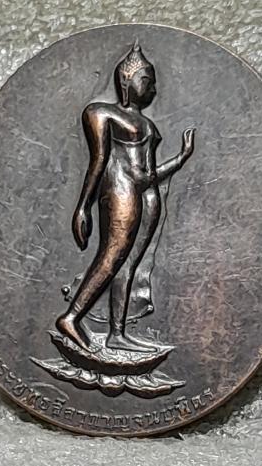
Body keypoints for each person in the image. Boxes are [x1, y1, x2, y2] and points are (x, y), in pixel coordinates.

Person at [56, 40, 195, 353]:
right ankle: (71, 318)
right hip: (121, 192)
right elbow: (98, 160)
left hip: (147, 195)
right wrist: (83, 206)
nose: (153, 89)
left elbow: (148, 174)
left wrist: (181, 158)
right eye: (146, 80)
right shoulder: (101, 113)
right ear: (125, 81)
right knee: (110, 258)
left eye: (153, 82)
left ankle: (117, 333)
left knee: (129, 266)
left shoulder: (149, 124)